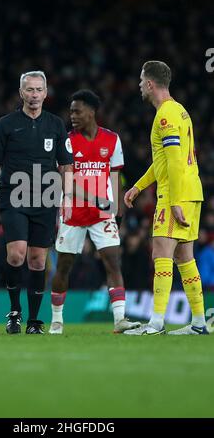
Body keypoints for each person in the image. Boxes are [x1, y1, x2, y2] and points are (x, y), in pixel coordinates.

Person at [0, 71, 73, 334]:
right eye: (29, 90)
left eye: (38, 90)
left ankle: (33, 320)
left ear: (45, 93)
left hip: (46, 198)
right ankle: (14, 312)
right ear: (21, 93)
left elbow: (66, 165)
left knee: (38, 260)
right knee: (16, 254)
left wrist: (68, 199)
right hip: (14, 196)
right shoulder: (6, 125)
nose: (34, 95)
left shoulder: (55, 125)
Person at [124, 61, 209, 335]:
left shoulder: (165, 116)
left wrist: (174, 202)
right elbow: (162, 162)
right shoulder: (179, 111)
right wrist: (137, 186)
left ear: (150, 84)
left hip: (176, 193)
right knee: (185, 257)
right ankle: (198, 322)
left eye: (141, 81)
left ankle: (156, 322)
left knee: (161, 252)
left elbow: (173, 162)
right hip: (191, 191)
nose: (138, 85)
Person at [49, 89, 141, 334]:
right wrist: (95, 198)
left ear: (91, 112)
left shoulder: (112, 140)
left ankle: (120, 319)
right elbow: (66, 181)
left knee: (113, 262)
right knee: (65, 265)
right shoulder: (67, 141)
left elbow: (115, 177)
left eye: (77, 111)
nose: (73, 116)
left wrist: (117, 211)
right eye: (71, 111)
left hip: (103, 214)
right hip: (73, 212)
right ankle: (57, 319)